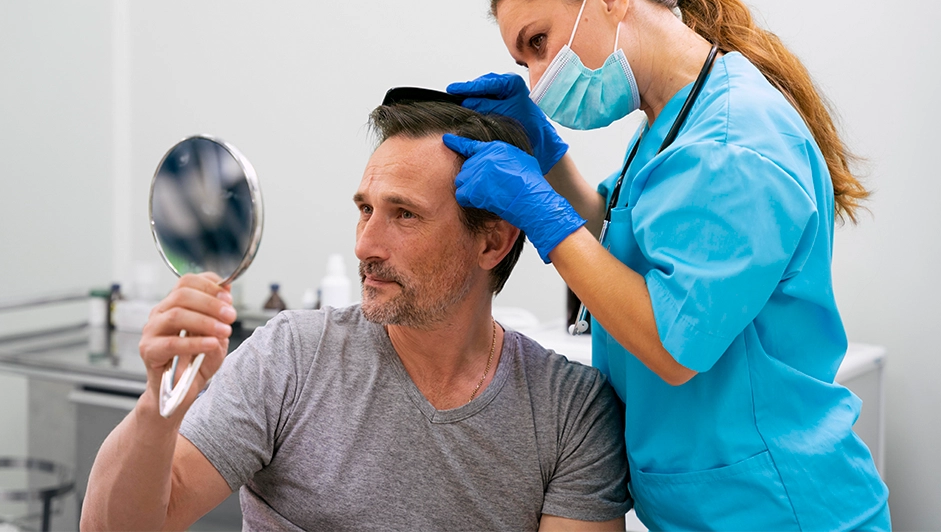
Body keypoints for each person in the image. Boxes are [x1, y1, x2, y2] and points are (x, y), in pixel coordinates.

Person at [443, 0, 890, 532]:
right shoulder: (671, 118)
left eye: (538, 44)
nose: (539, 81)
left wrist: (542, 219)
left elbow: (673, 344)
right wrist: (547, 158)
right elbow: (623, 244)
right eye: (524, 64)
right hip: (709, 507)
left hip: (780, 508)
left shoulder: (735, 143)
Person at [80, 96, 632, 532]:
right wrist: (158, 406)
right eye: (365, 209)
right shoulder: (292, 356)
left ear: (492, 242)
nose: (366, 244)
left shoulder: (569, 412)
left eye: (405, 215)